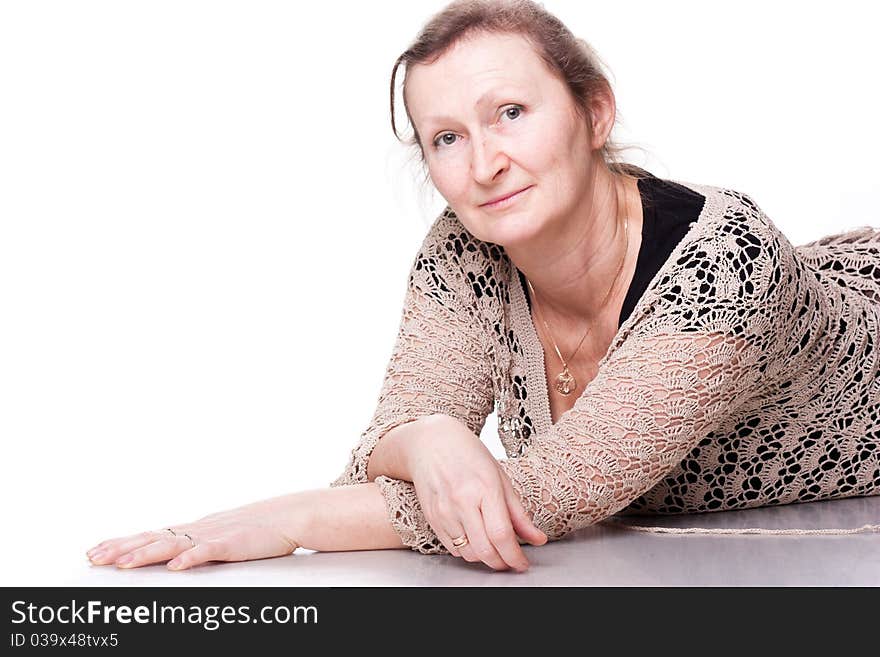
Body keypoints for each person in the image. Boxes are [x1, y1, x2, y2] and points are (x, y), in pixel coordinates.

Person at [86, 0, 880, 574]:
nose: (483, 162)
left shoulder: (726, 271)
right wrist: (431, 434)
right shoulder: (464, 253)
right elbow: (381, 450)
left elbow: (544, 495)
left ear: (593, 111)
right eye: (447, 137)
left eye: (510, 112)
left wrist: (283, 520)